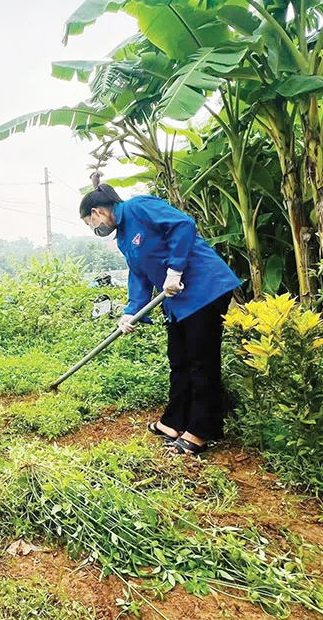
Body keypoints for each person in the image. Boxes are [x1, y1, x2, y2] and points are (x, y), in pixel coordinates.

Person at [80, 184, 241, 456]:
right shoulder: (122, 237)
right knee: (178, 359)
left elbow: (183, 225)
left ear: (96, 212)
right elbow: (139, 275)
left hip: (205, 289)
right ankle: (173, 422)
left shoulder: (138, 207)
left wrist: (175, 269)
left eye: (90, 222)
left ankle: (200, 431)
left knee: (201, 363)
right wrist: (132, 311)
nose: (94, 228)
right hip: (178, 302)